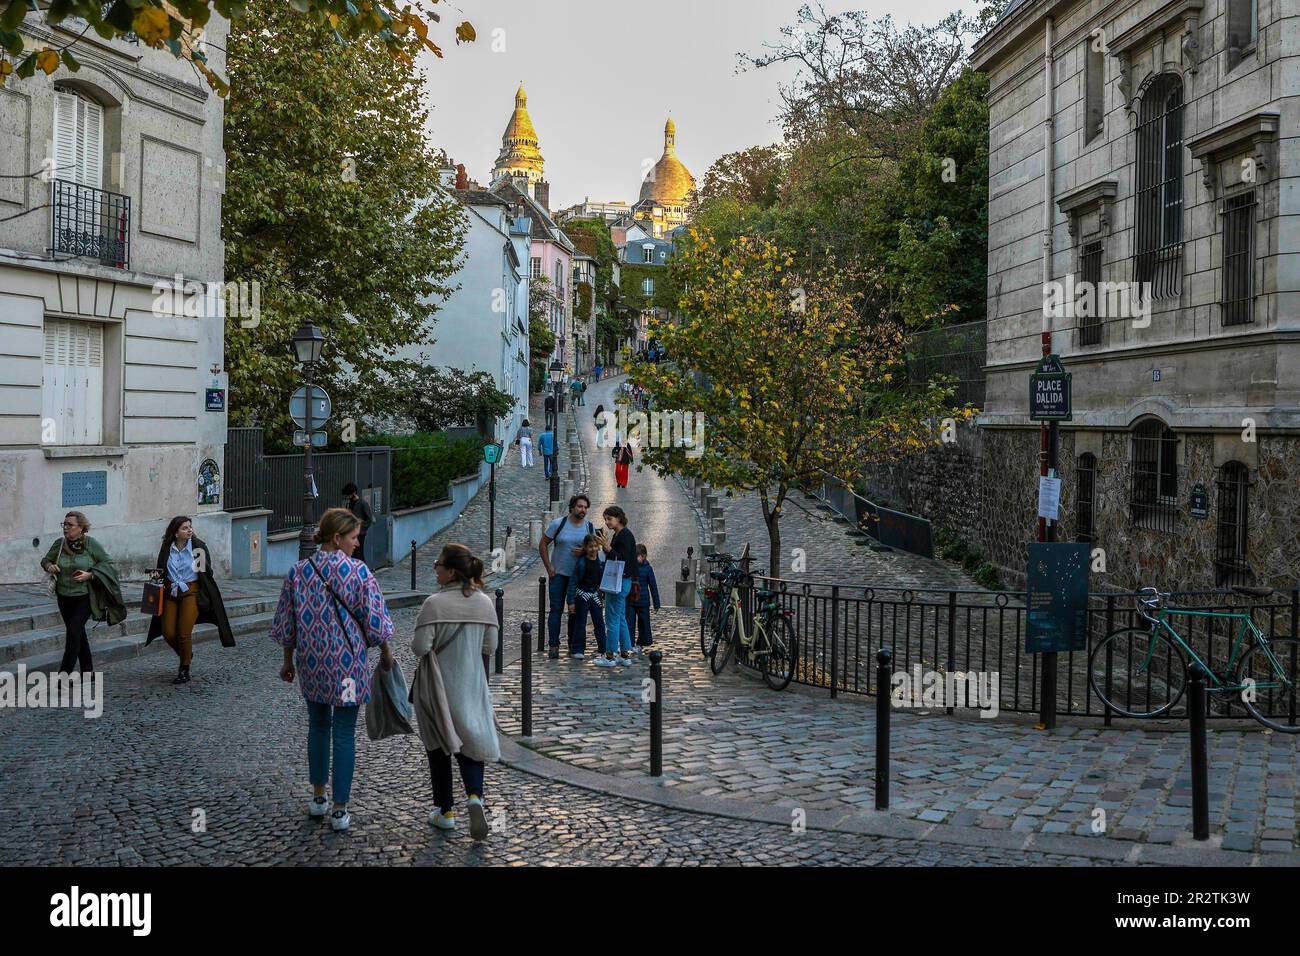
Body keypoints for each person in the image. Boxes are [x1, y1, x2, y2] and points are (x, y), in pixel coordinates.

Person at [270, 507, 395, 833]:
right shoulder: (359, 573)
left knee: (318, 727)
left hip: (312, 665)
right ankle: (340, 809)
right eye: (353, 538)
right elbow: (377, 623)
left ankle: (318, 797)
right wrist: (385, 654)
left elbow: (287, 623)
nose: (357, 543)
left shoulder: (298, 572)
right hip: (349, 670)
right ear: (337, 538)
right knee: (343, 733)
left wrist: (287, 661)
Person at [411, 544, 499, 840]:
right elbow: (491, 647)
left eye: (438, 563)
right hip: (471, 682)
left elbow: (419, 648)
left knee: (438, 745)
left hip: (438, 685)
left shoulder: (433, 604)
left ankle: (445, 811)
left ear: (450, 571)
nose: (434, 567)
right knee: (471, 740)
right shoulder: (485, 603)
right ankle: (475, 797)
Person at [145, 516, 235, 684]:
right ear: (175, 532)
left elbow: (205, 573)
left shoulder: (198, 547)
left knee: (184, 632)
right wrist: (157, 575)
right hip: (171, 592)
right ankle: (186, 653)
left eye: (190, 527)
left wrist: (205, 590)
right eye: (185, 528)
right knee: (168, 632)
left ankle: (184, 669)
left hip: (191, 592)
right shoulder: (167, 547)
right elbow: (161, 568)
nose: (189, 530)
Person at [40, 511, 122, 674]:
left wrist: (90, 575)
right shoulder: (60, 544)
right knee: (78, 633)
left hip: (85, 597)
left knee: (73, 631)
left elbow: (108, 564)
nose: (65, 528)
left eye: (70, 525)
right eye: (64, 524)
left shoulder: (91, 544)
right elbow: (45, 560)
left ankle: (64, 675)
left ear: (81, 528)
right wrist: (49, 566)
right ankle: (88, 671)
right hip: (63, 597)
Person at [539, 494, 597, 660]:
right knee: (556, 610)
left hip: (579, 578)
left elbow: (594, 549)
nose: (583, 510)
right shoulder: (559, 524)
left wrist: (585, 551)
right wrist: (549, 567)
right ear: (572, 507)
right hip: (559, 575)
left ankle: (573, 644)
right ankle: (553, 645)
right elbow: (543, 543)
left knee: (576, 612)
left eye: (585, 507)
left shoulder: (589, 527)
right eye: (580, 506)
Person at [595, 505, 636, 667]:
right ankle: (625, 654)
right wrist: (607, 546)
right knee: (620, 617)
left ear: (619, 518)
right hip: (622, 580)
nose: (607, 522)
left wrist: (607, 547)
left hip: (619, 580)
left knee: (612, 618)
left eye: (609, 519)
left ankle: (610, 655)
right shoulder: (619, 534)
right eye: (605, 519)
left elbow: (620, 559)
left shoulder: (624, 535)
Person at [565, 534, 607, 659]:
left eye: (595, 546)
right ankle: (578, 648)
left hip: (595, 595)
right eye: (590, 547)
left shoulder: (600, 562)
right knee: (580, 623)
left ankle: (603, 647)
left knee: (599, 622)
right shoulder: (581, 563)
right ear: (585, 547)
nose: (593, 549)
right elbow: (573, 582)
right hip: (582, 595)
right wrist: (571, 601)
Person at [626, 544, 661, 652]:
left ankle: (641, 642)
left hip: (643, 602)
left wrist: (656, 603)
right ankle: (629, 643)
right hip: (631, 600)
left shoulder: (648, 569)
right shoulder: (631, 567)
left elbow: (653, 586)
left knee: (643, 623)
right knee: (629, 623)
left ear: (644, 556)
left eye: (638, 556)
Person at [342, 483, 373, 566]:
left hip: (360, 534)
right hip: (350, 532)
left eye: (348, 495)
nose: (347, 497)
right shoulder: (348, 504)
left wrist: (361, 529)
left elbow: (369, 519)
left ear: (354, 493)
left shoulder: (363, 503)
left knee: (359, 554)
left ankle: (364, 573)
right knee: (352, 555)